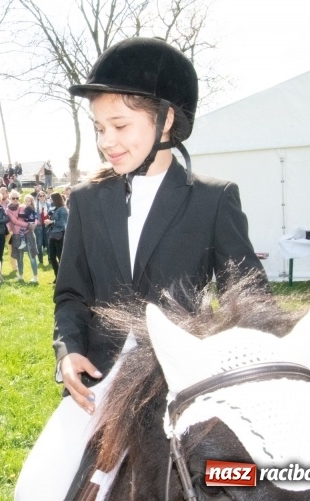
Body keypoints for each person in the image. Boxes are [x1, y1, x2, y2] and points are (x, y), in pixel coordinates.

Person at [16, 37, 267, 500]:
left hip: (184, 385)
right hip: (100, 386)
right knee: (36, 488)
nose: (105, 141)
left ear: (166, 119)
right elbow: (71, 293)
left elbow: (253, 305)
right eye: (98, 127)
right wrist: (67, 351)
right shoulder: (87, 201)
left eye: (119, 125)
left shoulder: (214, 199)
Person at [44, 192, 67, 282]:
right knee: (52, 256)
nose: (50, 200)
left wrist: (51, 222)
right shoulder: (55, 208)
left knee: (60, 256)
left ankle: (63, 278)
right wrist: (49, 222)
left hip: (60, 235)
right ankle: (57, 277)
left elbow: (63, 223)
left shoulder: (63, 210)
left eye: (51, 199)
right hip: (52, 234)